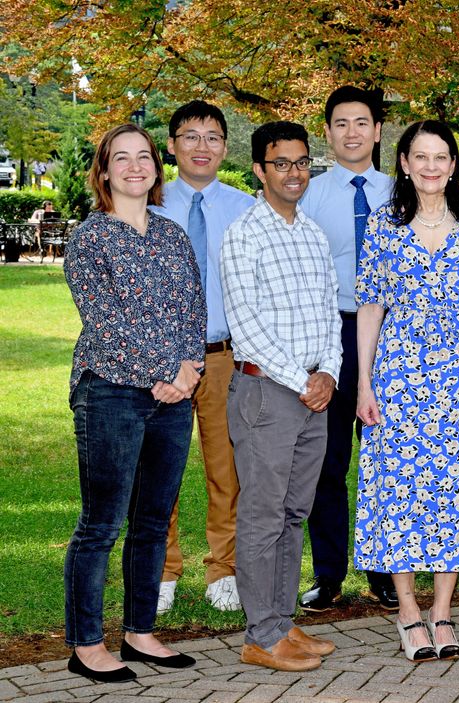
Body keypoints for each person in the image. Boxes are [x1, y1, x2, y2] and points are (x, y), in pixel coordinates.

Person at [354, 120, 459, 663]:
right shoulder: (383, 226)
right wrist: (365, 381)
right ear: (405, 164)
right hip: (398, 376)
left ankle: (443, 612)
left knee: (457, 492)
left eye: (442, 157)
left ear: (454, 165)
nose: (433, 166)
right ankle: (408, 612)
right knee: (397, 491)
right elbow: (370, 306)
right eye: (422, 156)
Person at [62, 123, 204, 682]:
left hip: (174, 398)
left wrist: (187, 371)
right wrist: (165, 370)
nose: (134, 167)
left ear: (155, 167)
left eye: (143, 157)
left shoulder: (172, 236)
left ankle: (141, 631)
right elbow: (104, 324)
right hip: (111, 394)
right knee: (102, 522)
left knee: (152, 520)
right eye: (120, 159)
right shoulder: (89, 238)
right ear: (103, 172)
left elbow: (194, 309)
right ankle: (86, 644)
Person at [221, 121, 342, 672]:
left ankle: (281, 622)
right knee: (263, 515)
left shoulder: (312, 233)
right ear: (258, 169)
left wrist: (332, 375)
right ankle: (260, 636)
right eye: (282, 164)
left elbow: (330, 314)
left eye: (301, 163)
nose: (294, 173)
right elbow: (245, 326)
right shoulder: (244, 234)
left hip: (315, 392)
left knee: (295, 513)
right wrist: (305, 380)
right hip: (268, 393)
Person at [152, 100, 255, 614]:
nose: (202, 146)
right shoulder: (146, 203)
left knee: (225, 467)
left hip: (222, 355)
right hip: (160, 361)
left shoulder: (245, 208)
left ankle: (225, 568)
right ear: (171, 145)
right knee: (160, 467)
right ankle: (162, 569)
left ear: (224, 147)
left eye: (213, 137)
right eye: (190, 136)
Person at [298, 86, 398, 614]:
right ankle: (330, 572)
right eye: (341, 123)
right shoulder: (311, 195)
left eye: (362, 122)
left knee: (384, 456)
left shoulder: (402, 192)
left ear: (378, 131)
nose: (352, 132)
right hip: (332, 332)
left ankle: (386, 572)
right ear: (328, 132)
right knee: (328, 460)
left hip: (393, 337)